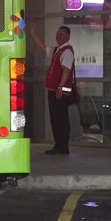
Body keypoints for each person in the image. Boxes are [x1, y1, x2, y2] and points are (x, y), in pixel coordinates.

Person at [31, 24, 76, 155]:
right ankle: (59, 145)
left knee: (60, 118)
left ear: (67, 36)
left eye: (61, 34)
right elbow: (43, 48)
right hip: (54, 89)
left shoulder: (67, 51)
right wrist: (33, 34)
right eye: (57, 34)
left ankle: (62, 146)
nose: (58, 36)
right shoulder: (58, 50)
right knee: (55, 118)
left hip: (60, 91)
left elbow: (66, 70)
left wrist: (60, 87)